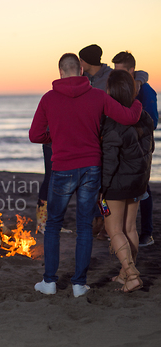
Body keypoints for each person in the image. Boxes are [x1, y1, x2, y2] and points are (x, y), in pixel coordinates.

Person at [29, 53, 142, 298]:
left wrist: (55, 138)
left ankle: (49, 282)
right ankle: (79, 285)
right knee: (83, 226)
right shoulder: (98, 96)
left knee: (53, 226)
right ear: (80, 70)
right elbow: (130, 117)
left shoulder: (48, 99)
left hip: (62, 169)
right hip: (91, 168)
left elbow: (35, 135)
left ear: (60, 72)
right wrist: (136, 99)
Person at [79, 44, 149, 240]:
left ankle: (119, 230)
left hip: (113, 133)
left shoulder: (111, 75)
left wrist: (138, 83)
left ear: (86, 61)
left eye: (81, 60)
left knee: (109, 183)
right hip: (98, 136)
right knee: (97, 182)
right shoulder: (84, 79)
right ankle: (101, 222)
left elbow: (140, 73)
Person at [100, 69, 154, 292]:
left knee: (114, 230)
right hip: (138, 181)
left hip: (117, 184)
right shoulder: (143, 116)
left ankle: (131, 275)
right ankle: (124, 273)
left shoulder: (113, 122)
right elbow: (148, 149)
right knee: (130, 227)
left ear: (111, 91)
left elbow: (110, 161)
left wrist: (101, 188)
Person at [112, 51, 158, 247]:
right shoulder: (120, 87)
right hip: (124, 147)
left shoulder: (146, 91)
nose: (117, 75)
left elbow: (153, 122)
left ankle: (147, 233)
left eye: (121, 71)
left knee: (143, 189)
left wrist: (131, 132)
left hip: (140, 148)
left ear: (132, 71)